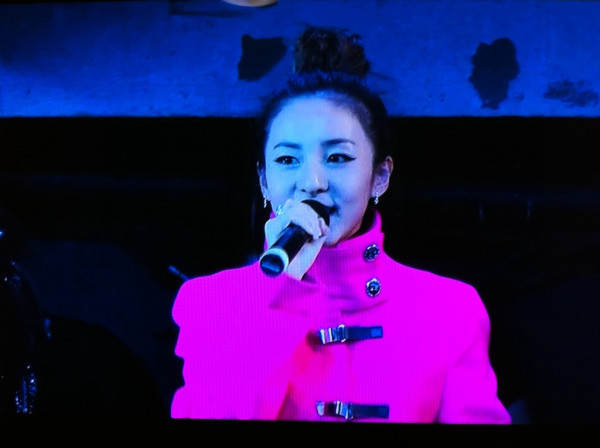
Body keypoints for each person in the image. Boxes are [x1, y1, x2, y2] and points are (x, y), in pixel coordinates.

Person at [171, 26, 511, 423]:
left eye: (337, 158)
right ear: (264, 181)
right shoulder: (210, 302)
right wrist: (277, 292)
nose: (312, 182)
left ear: (380, 177)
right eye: (287, 160)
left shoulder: (451, 309)